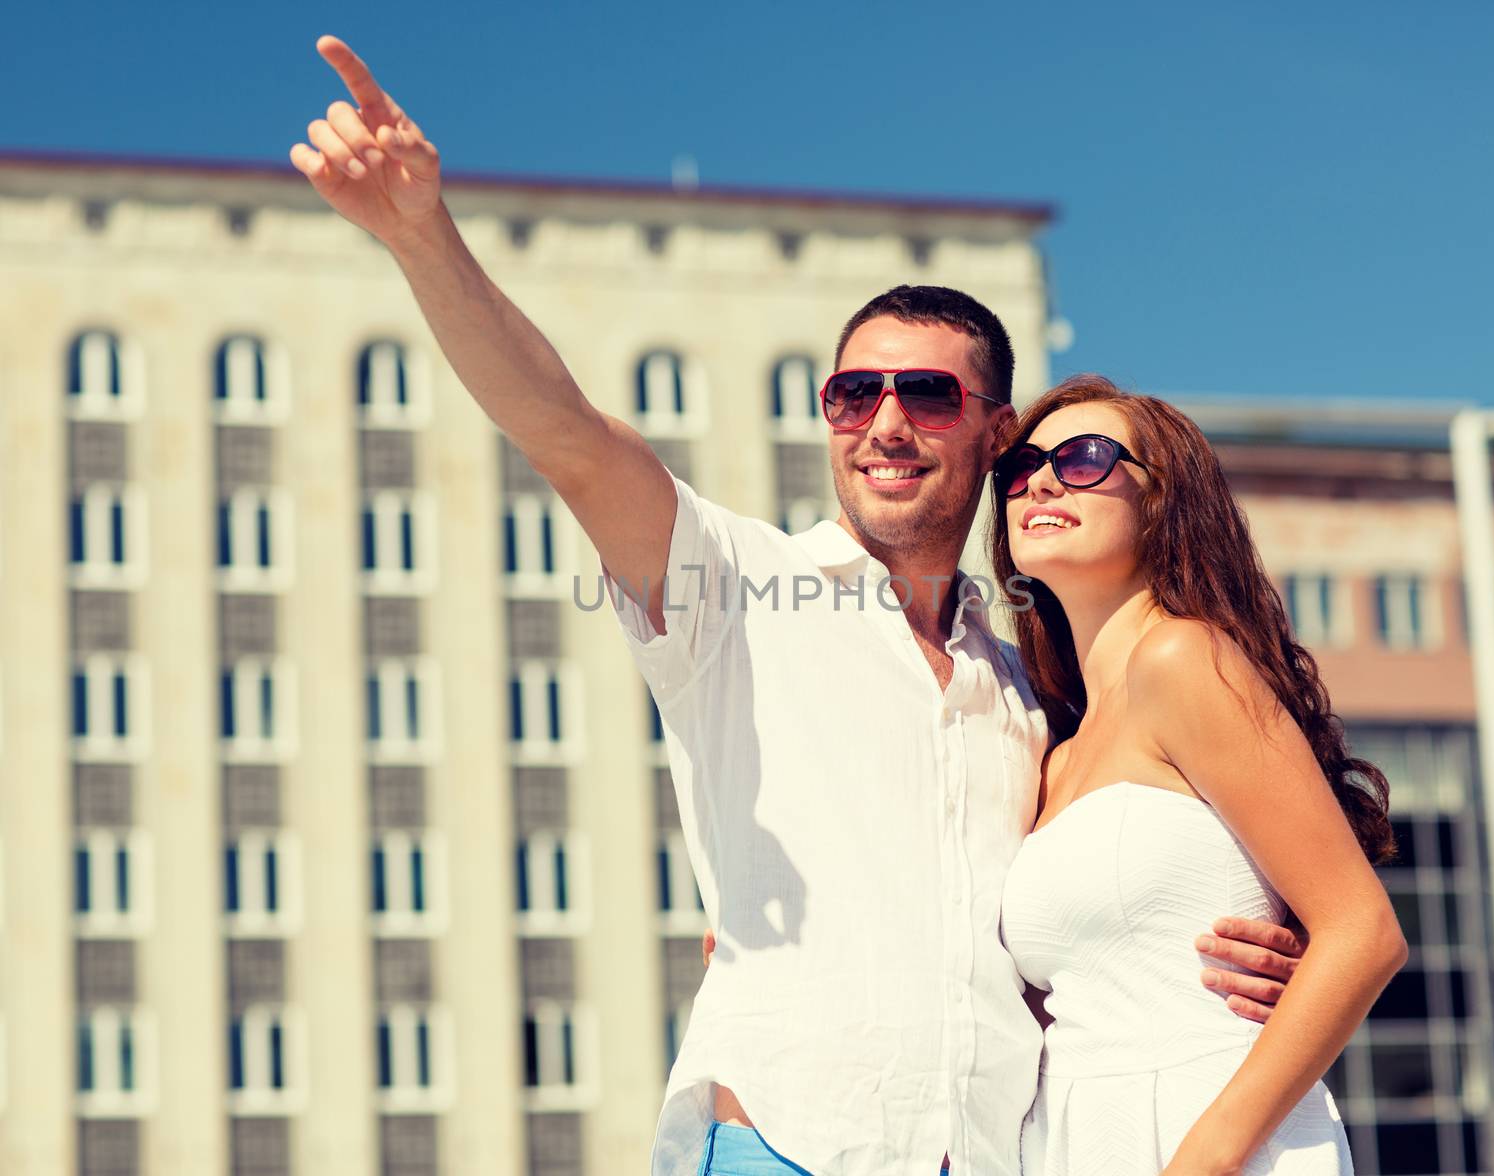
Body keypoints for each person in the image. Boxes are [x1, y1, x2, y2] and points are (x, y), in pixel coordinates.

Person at [289, 37, 1313, 1175]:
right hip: (780, 1147)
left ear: (994, 430)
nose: (883, 423)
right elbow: (568, 435)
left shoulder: (1031, 687)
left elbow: (1114, 890)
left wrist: (1247, 949)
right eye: (850, 392)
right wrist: (422, 237)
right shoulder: (731, 590)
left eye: (925, 394)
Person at [989, 375, 1409, 1174]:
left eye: (1083, 459)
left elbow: (1363, 932)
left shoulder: (1186, 659)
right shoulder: (1055, 752)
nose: (1039, 480)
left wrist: (1203, 1160)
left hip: (1211, 1132)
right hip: (1078, 1136)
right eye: (1020, 467)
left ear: (1163, 501)